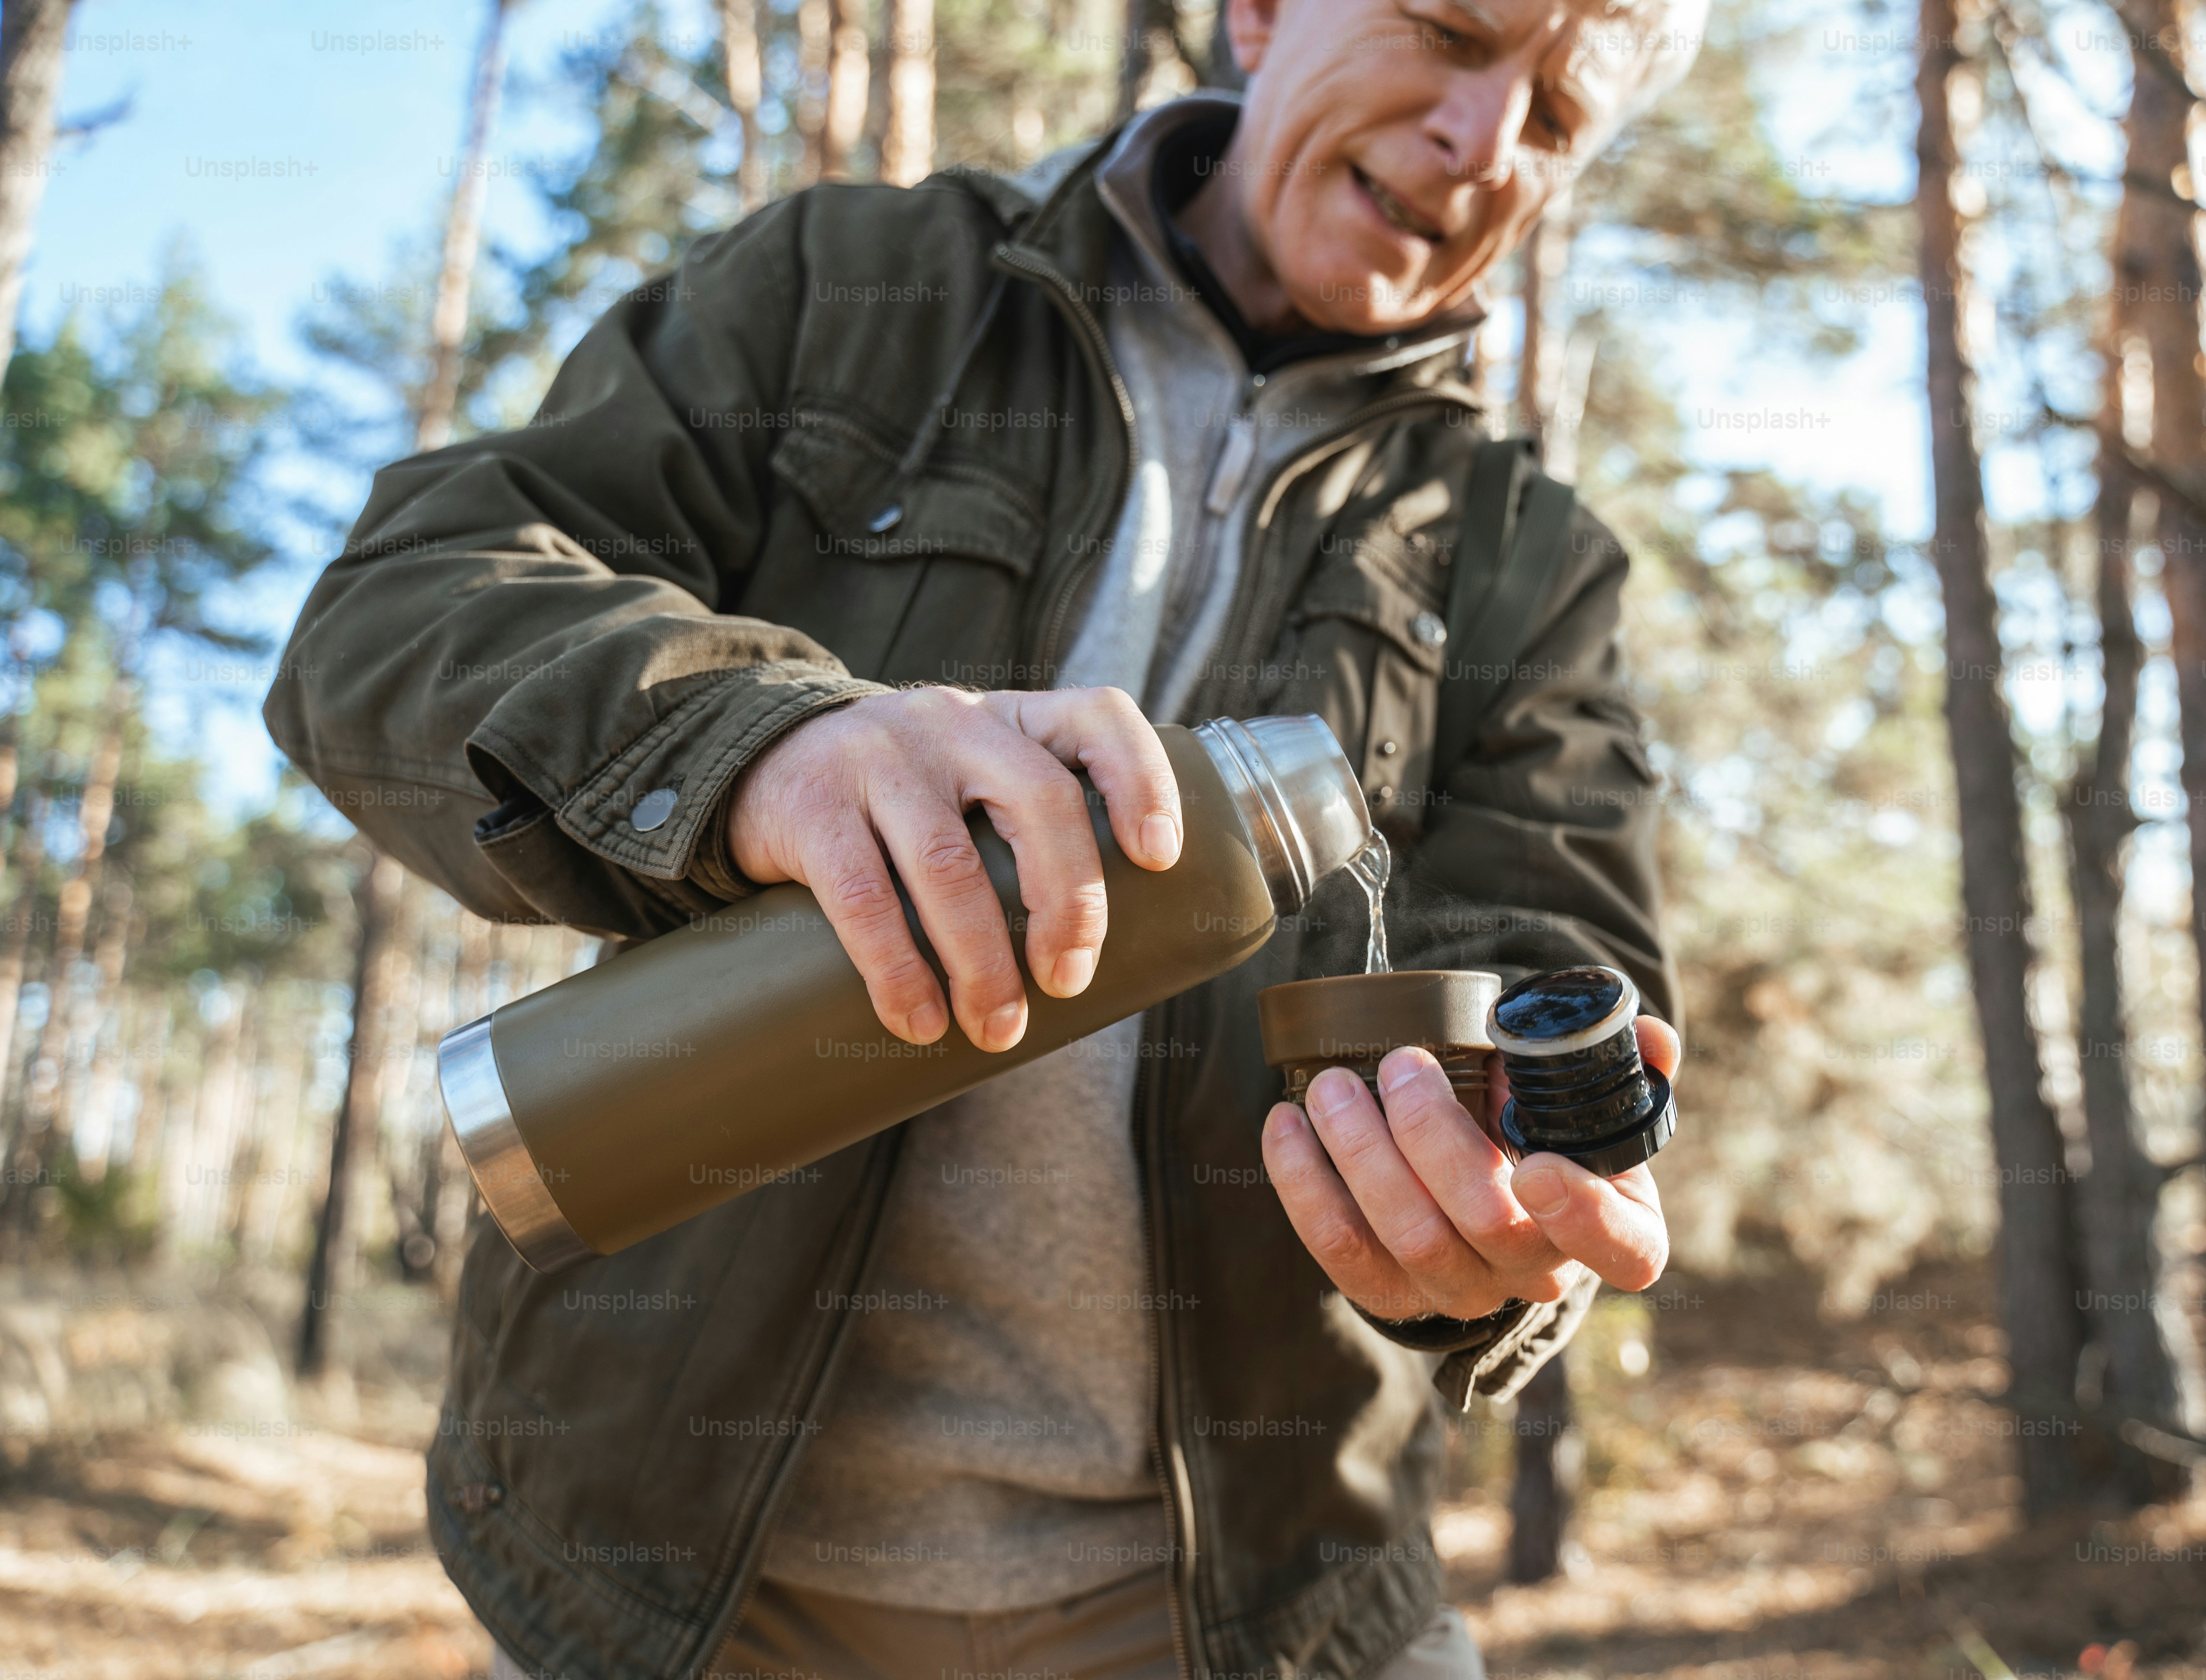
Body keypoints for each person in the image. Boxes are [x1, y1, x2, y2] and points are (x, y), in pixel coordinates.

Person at [265, 0, 1707, 1675]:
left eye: (1553, 121)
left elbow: (1558, 970)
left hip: (1257, 1609)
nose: (1482, 140)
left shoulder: (1525, 558)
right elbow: (399, 609)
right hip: (665, 1586)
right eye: (1453, 32)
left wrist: (1504, 1227)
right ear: (1253, 11)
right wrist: (758, 746)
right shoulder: (860, 294)